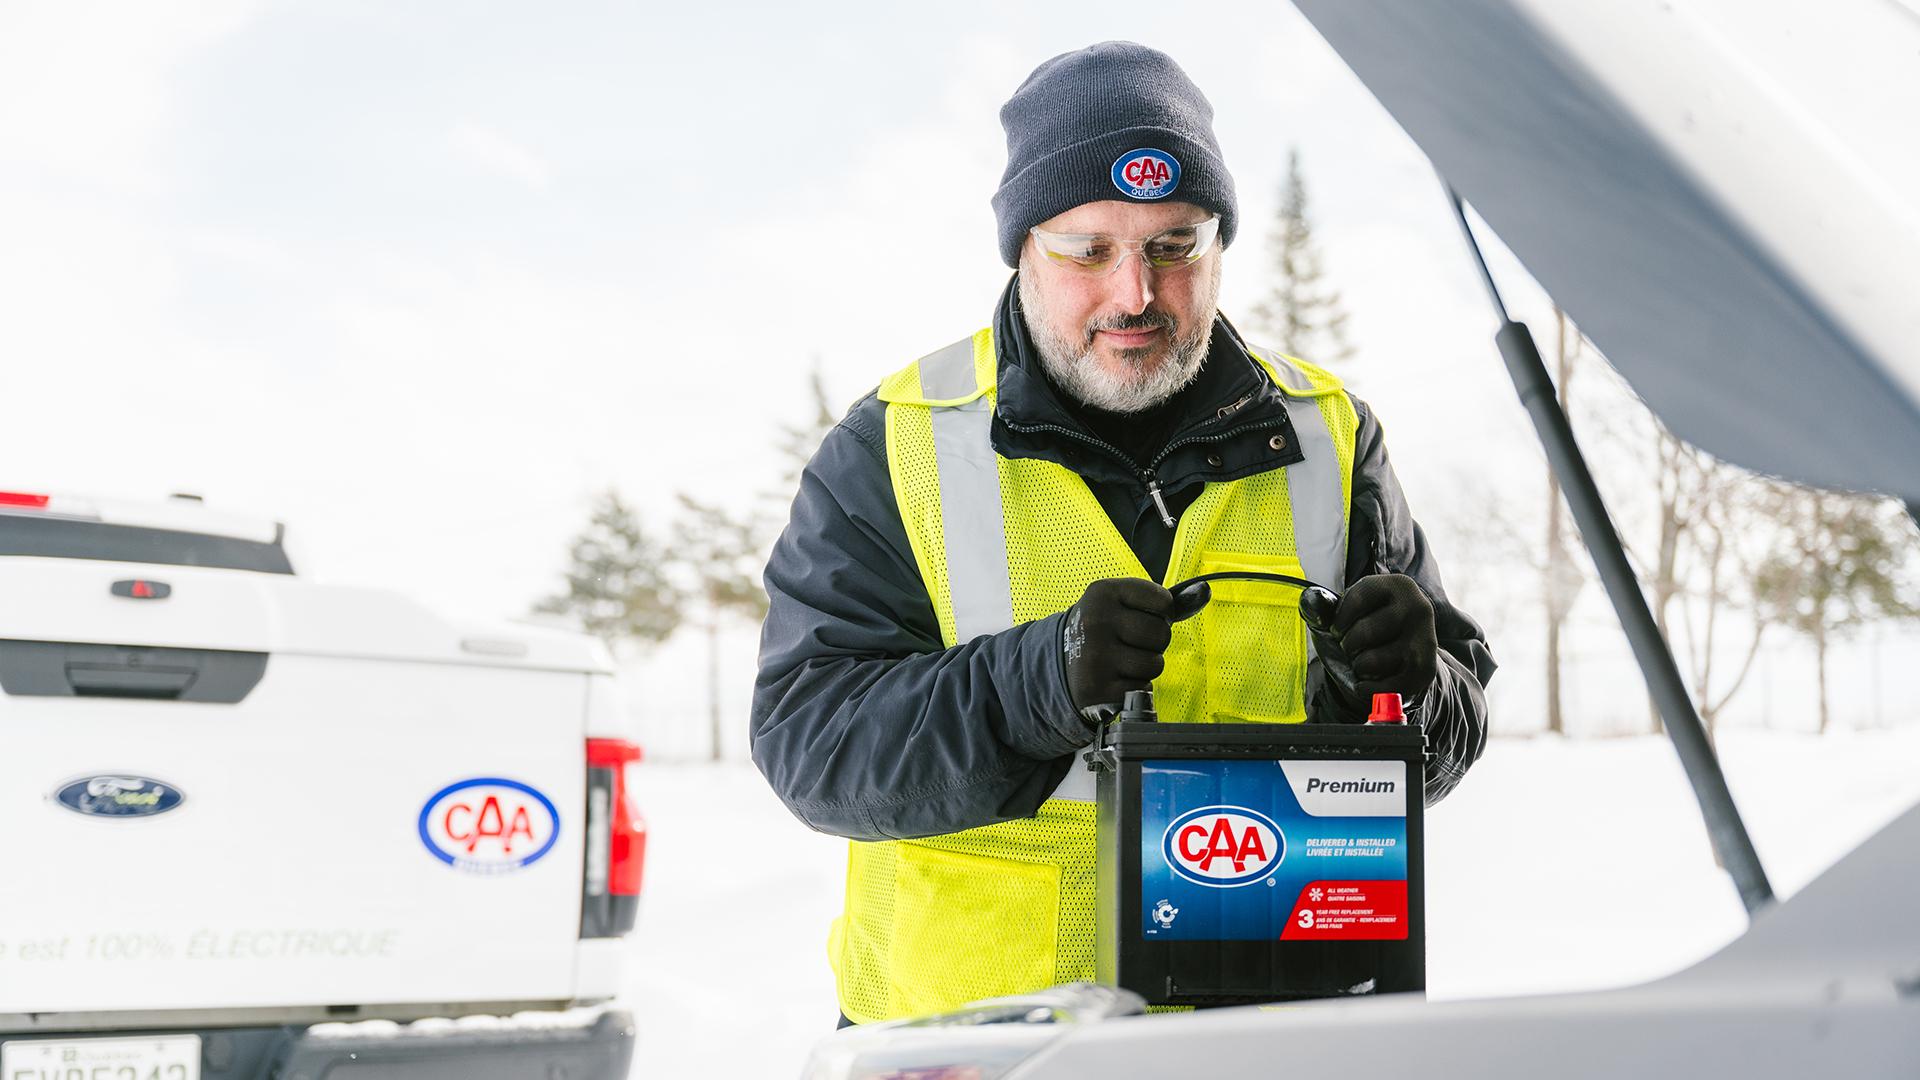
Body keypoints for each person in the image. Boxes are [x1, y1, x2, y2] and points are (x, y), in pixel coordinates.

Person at [751, 41, 1494, 1027]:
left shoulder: (1331, 438)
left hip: (1260, 1038)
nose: (1135, 295)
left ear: (1218, 246)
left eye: (1174, 247)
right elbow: (812, 744)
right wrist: (1037, 682)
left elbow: (1446, 735)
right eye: (1089, 249)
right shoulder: (897, 444)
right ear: (1024, 248)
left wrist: (1406, 686)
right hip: (976, 1045)